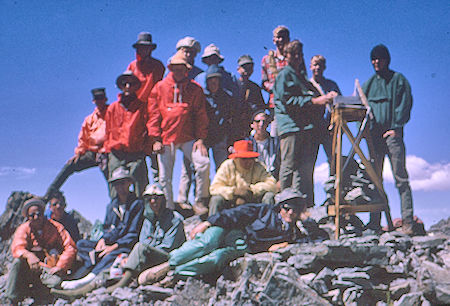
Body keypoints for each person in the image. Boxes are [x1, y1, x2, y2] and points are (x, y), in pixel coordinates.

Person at [137, 188, 327, 286]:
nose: (291, 212)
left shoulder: (293, 232)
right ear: (280, 206)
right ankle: (168, 265)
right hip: (229, 229)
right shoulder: (263, 211)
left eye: (296, 207)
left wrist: (305, 221)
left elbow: (317, 239)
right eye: (287, 206)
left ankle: (175, 275)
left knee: (218, 257)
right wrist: (209, 222)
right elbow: (236, 214)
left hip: (243, 244)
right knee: (206, 243)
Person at [54, 167, 143, 295]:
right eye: (116, 184)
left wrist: (113, 246)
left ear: (129, 183)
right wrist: (103, 240)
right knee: (81, 244)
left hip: (125, 245)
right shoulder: (112, 205)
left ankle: (89, 277)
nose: (120, 187)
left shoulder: (137, 204)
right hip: (110, 243)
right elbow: (107, 227)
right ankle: (94, 263)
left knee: (115, 253)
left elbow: (133, 233)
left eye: (122, 182)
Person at [273, 40, 337, 207]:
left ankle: (301, 206)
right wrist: (315, 101)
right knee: (288, 166)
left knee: (303, 169)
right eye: (292, 54)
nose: (296, 58)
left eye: (299, 54)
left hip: (303, 128)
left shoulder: (298, 76)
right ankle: (284, 206)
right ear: (286, 56)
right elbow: (289, 100)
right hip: (290, 127)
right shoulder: (285, 75)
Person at [147, 51, 210, 214]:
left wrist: (201, 139)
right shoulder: (159, 88)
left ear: (187, 69)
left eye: (182, 68)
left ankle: (200, 200)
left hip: (189, 138)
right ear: (171, 68)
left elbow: (201, 115)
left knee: (203, 163)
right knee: (164, 177)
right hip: (166, 139)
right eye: (175, 68)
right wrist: (156, 139)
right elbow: (153, 115)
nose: (179, 71)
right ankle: (167, 208)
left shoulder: (195, 89)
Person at [362, 44, 414, 235]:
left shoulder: (398, 80)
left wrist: (396, 128)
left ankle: (407, 222)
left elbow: (405, 104)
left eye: (379, 58)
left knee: (400, 179)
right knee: (375, 180)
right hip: (374, 139)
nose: (376, 62)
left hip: (392, 137)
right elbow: (360, 105)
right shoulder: (368, 83)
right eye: (373, 59)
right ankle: (375, 222)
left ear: (387, 60)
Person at [104, 183, 186, 292]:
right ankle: (91, 286)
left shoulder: (175, 219)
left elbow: (168, 247)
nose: (153, 202)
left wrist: (139, 256)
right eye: (149, 198)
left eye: (156, 198)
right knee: (118, 260)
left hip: (168, 257)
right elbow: (143, 240)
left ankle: (122, 284)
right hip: (149, 255)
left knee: (139, 248)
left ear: (163, 199)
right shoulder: (148, 221)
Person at [5, 198, 76, 304]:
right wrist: (29, 256)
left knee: (55, 282)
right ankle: (11, 299)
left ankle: (38, 291)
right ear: (27, 217)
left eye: (39, 214)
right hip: (29, 268)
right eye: (32, 215)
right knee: (17, 262)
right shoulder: (23, 229)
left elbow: (70, 247)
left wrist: (61, 266)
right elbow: (17, 247)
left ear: (43, 213)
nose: (36, 217)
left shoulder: (56, 227)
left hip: (47, 268)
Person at [44, 88, 109, 200]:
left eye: (101, 98)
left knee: (114, 178)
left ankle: (118, 204)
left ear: (105, 99)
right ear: (94, 101)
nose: (99, 101)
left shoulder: (112, 112)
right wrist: (79, 153)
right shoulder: (89, 119)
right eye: (96, 99)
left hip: (108, 152)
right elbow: (83, 139)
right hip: (92, 153)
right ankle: (49, 194)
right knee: (70, 165)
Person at [126, 32, 165, 185]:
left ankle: (158, 192)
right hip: (137, 115)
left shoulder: (158, 66)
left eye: (146, 48)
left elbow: (161, 89)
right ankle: (143, 194)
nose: (144, 50)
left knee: (156, 154)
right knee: (138, 157)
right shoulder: (132, 66)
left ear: (151, 49)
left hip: (155, 112)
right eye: (141, 48)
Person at [104, 71, 150, 198]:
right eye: (125, 84)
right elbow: (107, 133)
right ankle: (117, 216)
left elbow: (148, 129)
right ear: (121, 87)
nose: (128, 86)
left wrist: (145, 150)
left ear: (136, 86)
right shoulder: (112, 108)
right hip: (117, 154)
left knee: (141, 186)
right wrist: (107, 154)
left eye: (132, 83)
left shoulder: (142, 107)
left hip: (136, 153)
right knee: (115, 189)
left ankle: (142, 215)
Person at [208, 140, 277, 216]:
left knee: (269, 196)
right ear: (236, 158)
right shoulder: (227, 166)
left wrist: (252, 190)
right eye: (244, 158)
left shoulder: (259, 166)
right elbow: (214, 188)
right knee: (216, 199)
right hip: (231, 204)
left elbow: (272, 184)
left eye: (250, 158)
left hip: (254, 203)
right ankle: (213, 225)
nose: (248, 161)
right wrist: (234, 192)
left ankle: (269, 225)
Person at [309, 55, 342, 164]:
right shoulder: (307, 85)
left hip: (329, 128)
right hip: (313, 128)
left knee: (333, 158)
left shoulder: (331, 85)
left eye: (320, 65)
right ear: (310, 67)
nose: (317, 68)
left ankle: (333, 179)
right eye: (315, 65)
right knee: (309, 160)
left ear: (324, 68)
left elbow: (340, 105)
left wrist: (335, 97)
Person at [261, 25, 291, 137]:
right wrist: (276, 88)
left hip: (291, 105)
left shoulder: (293, 59)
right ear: (273, 40)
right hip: (275, 105)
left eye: (283, 37)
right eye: (278, 37)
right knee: (275, 136)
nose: (281, 40)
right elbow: (264, 82)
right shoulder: (267, 59)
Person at [233, 55, 267, 140]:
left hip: (251, 127)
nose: (247, 71)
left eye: (249, 68)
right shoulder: (232, 85)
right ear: (238, 69)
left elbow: (261, 107)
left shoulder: (255, 88)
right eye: (244, 67)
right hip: (233, 126)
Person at [248, 110, 281, 181]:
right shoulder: (247, 143)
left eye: (265, 121)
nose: (261, 124)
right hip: (252, 179)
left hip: (272, 178)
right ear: (252, 124)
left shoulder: (276, 142)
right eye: (258, 121)